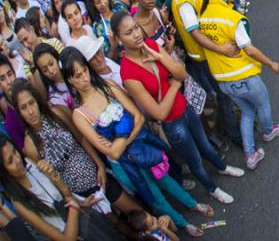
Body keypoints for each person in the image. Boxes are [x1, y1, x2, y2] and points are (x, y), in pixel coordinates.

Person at [63, 49, 211, 237]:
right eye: (77, 75)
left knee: (165, 178)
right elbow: (113, 154)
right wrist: (125, 129)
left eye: (84, 70)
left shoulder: (107, 86)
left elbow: (138, 117)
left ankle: (194, 204)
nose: (84, 78)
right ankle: (183, 224)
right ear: (70, 80)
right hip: (125, 165)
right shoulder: (79, 115)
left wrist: (120, 139)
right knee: (154, 195)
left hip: (140, 147)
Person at [113, 11, 243, 205]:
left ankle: (222, 167)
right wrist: (174, 85)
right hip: (173, 125)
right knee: (195, 160)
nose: (136, 34)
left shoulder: (150, 45)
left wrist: (159, 55)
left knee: (206, 145)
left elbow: (181, 73)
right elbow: (159, 113)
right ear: (118, 39)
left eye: (136, 28)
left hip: (186, 107)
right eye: (129, 32)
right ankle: (212, 188)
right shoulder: (127, 72)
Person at [12, 80, 142, 229]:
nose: (30, 111)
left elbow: (81, 138)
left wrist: (99, 165)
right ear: (19, 112)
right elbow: (52, 181)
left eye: (31, 103)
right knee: (119, 228)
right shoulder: (30, 144)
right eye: (23, 107)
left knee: (136, 213)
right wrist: (78, 202)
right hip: (83, 195)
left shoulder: (55, 113)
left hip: (97, 176)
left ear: (37, 101)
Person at [199, 0, 279, 170]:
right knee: (262, 105)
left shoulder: (202, 16)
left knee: (247, 111)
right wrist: (271, 63)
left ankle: (250, 154)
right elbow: (250, 50)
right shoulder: (230, 17)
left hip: (223, 80)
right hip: (243, 75)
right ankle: (268, 131)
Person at [167, 0, 241, 150]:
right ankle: (234, 133)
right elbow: (195, 32)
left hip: (203, 54)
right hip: (202, 56)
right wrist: (222, 49)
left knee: (219, 94)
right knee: (222, 94)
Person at [0, 134, 120, 240]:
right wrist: (73, 206)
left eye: (15, 152)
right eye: (10, 161)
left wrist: (54, 176)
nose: (17, 160)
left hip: (87, 221)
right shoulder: (19, 203)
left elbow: (66, 193)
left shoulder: (30, 163)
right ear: (3, 171)